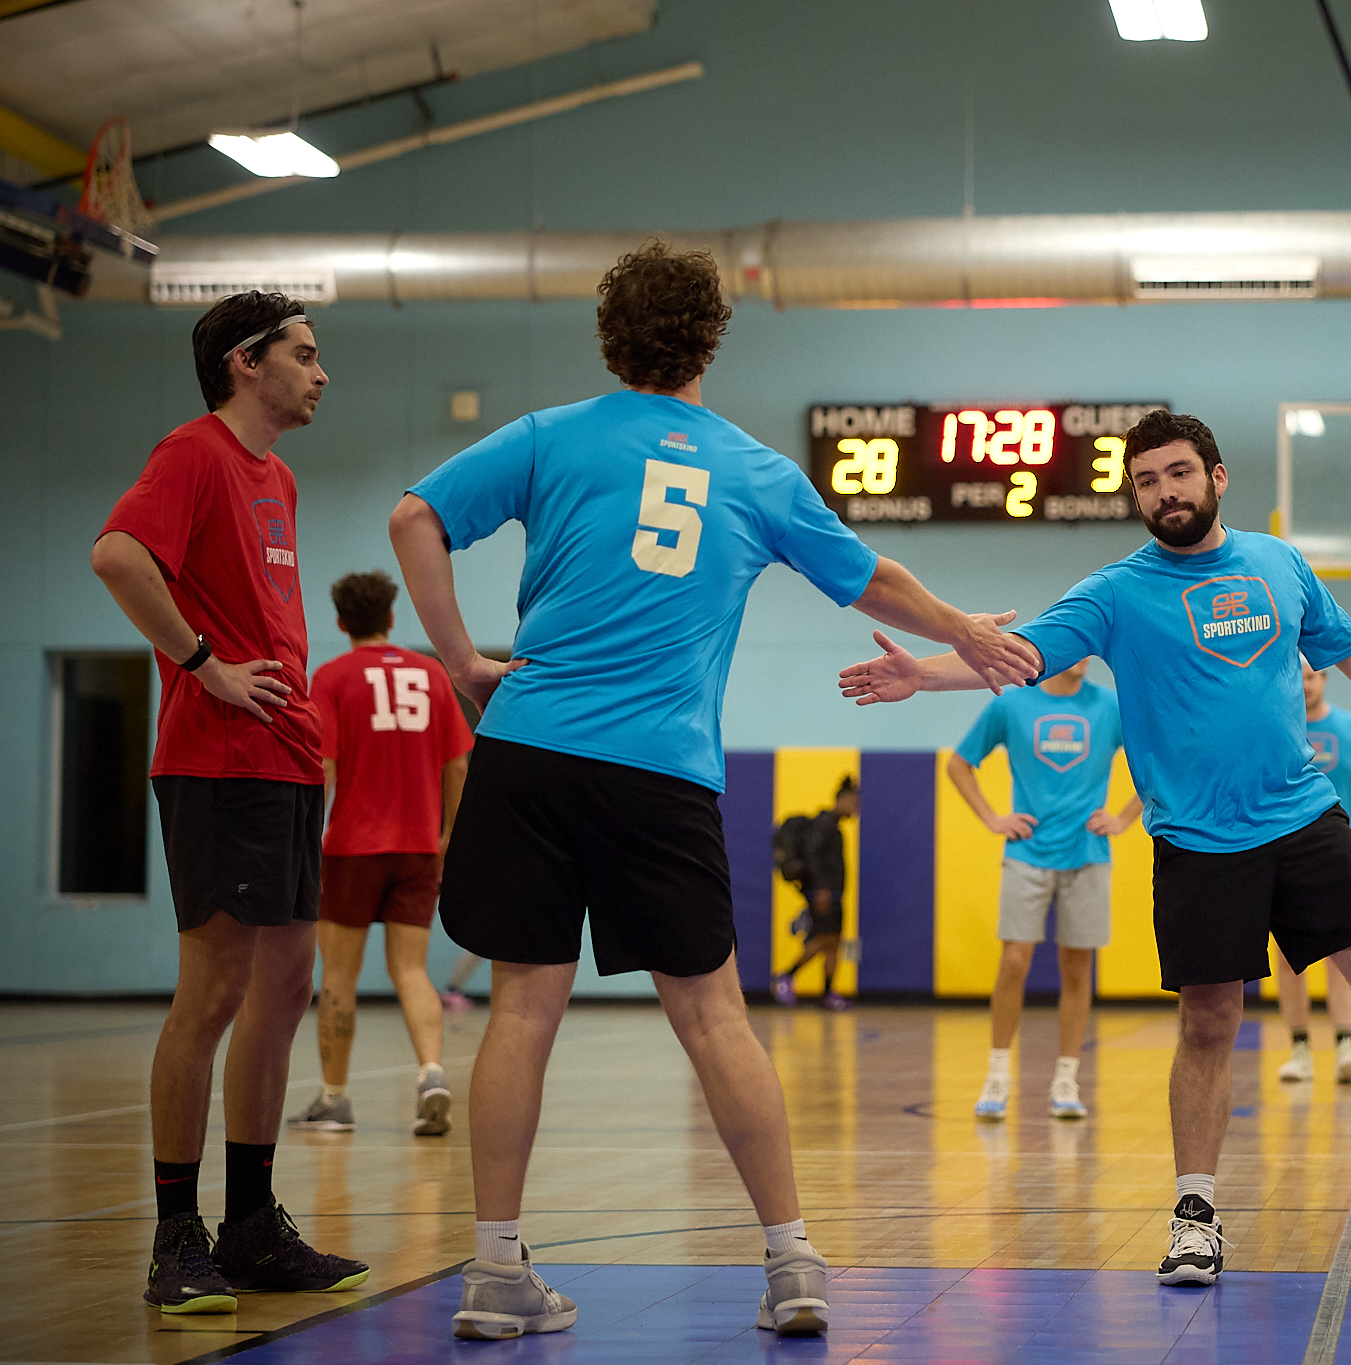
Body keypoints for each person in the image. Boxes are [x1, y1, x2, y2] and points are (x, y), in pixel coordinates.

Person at [389, 241, 1036, 1341]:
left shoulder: (549, 435)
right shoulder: (755, 471)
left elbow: (414, 518)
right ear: (711, 340)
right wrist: (963, 629)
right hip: (658, 768)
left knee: (522, 1008)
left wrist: (459, 660)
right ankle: (791, 1264)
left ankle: (494, 1271)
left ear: (610, 338)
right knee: (712, 1014)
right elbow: (871, 580)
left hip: (529, 747)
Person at [839, 410, 1351, 1291]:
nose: (1164, 492)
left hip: (1302, 814)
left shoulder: (1279, 563)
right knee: (1209, 1021)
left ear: (1216, 476)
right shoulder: (1116, 592)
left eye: (1177, 473)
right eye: (1146, 481)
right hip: (1198, 841)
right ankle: (1195, 1216)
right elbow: (1018, 654)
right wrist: (923, 673)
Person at [90, 290, 369, 1314]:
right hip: (218, 761)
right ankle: (177, 1235)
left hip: (286, 762)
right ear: (247, 363)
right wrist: (202, 663)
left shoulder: (278, 477)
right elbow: (117, 556)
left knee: (286, 991)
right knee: (212, 993)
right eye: (304, 353)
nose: (321, 372)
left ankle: (251, 1224)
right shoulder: (193, 452)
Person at [290, 570, 472, 1137]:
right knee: (412, 970)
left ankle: (334, 1099)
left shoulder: (332, 677)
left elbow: (323, 767)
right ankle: (432, 1073)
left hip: (352, 847)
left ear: (341, 622)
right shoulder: (431, 674)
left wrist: (305, 841)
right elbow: (458, 765)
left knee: (338, 975)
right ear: (392, 619)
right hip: (419, 846)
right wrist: (452, 835)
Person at [946, 658, 1142, 1121]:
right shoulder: (1011, 704)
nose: (1085, 654)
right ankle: (997, 1074)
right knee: (1014, 960)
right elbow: (958, 765)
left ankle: (1066, 1079)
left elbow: (1159, 762)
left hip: (1088, 853)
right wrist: (993, 819)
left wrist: (1123, 818)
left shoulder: (1110, 707)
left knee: (1077, 967)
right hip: (1027, 852)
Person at [1274, 655, 1351, 1086]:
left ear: (1324, 678)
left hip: (1338, 857)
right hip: (1283, 855)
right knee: (1289, 958)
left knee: (1345, 956)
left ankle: (1345, 1044)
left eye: (1312, 677)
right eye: (1299, 677)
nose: (1306, 685)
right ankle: (1299, 1048)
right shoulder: (1275, 725)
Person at [771, 777, 860, 1011]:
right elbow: (813, 856)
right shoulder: (824, 825)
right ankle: (785, 976)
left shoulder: (834, 827)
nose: (855, 809)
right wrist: (821, 890)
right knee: (823, 940)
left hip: (833, 893)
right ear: (842, 800)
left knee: (834, 943)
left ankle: (828, 993)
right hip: (823, 893)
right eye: (853, 803)